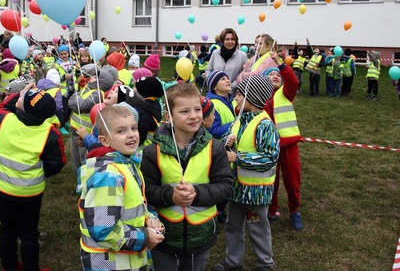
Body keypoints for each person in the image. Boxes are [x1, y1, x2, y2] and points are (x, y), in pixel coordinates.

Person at [141, 83, 233, 271]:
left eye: (197, 109)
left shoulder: (214, 148)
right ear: (169, 116)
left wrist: (197, 193)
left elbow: (225, 186)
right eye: (184, 111)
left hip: (200, 235)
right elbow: (146, 190)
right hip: (164, 235)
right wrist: (170, 196)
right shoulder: (153, 152)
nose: (194, 115)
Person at [77, 105, 165, 270]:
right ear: (104, 140)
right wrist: (145, 237)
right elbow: (103, 230)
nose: (131, 134)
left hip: (127, 259)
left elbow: (133, 204)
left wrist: (148, 219)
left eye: (134, 128)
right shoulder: (109, 177)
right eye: (121, 131)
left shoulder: (127, 164)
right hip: (110, 263)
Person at [0, 83, 66, 271]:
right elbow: (56, 164)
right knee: (28, 233)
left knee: (7, 229)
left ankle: (8, 266)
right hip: (30, 192)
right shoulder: (50, 133)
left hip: (3, 188)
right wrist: (39, 171)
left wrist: (19, 94)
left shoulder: (3, 121)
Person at [211, 74, 279, 271]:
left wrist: (238, 158)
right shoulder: (239, 119)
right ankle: (233, 260)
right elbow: (225, 138)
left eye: (240, 94)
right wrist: (226, 141)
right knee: (233, 226)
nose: (235, 98)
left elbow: (269, 158)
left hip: (255, 193)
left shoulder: (265, 125)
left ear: (253, 97)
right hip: (236, 189)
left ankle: (265, 263)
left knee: (257, 227)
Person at [262, 51, 303, 231]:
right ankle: (271, 211)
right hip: (269, 147)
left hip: (288, 146)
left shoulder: (286, 93)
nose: (275, 76)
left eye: (278, 75)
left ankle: (295, 211)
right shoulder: (260, 97)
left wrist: (280, 64)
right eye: (270, 75)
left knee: (292, 180)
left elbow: (293, 81)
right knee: (272, 181)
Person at [205, 28, 247, 92]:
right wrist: (213, 83)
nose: (230, 42)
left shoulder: (242, 56)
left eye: (232, 39)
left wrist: (230, 86)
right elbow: (209, 70)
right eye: (227, 39)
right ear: (222, 41)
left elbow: (244, 75)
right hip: (215, 92)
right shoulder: (215, 53)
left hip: (233, 95)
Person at [205, 70, 236, 139]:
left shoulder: (234, 101)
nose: (228, 81)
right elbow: (213, 131)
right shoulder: (213, 105)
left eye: (227, 78)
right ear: (214, 87)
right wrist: (234, 124)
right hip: (222, 146)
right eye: (223, 79)